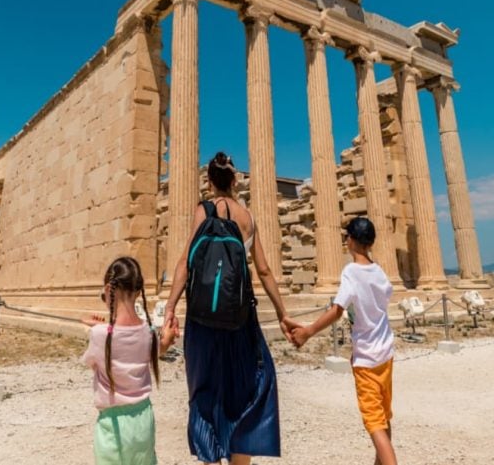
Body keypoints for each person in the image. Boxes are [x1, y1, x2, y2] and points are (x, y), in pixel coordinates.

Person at [164, 151, 296, 464]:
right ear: (235, 181)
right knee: (246, 394)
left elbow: (186, 261)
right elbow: (263, 270)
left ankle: (210, 455)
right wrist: (282, 313)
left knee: (204, 392)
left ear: (209, 182)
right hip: (241, 320)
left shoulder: (203, 211)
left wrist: (170, 306)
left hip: (202, 320)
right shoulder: (247, 218)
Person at [290, 217, 398, 465]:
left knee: (373, 423)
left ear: (350, 241)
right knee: (383, 417)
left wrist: (308, 331)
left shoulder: (351, 272)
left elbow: (338, 309)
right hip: (386, 353)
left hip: (367, 359)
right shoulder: (379, 270)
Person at [82, 256, 177, 465]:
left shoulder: (99, 335)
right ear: (138, 292)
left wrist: (91, 328)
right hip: (144, 418)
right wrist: (167, 339)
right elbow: (151, 348)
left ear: (108, 289)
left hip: (112, 424)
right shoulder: (148, 332)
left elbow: (93, 363)